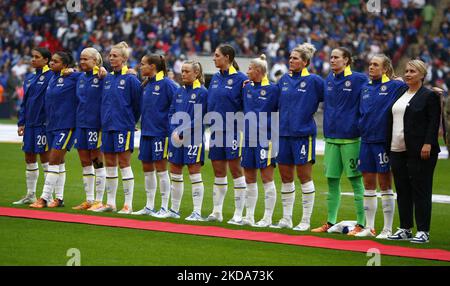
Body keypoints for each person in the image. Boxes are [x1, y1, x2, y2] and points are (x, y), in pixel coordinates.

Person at [312, 47, 368, 235]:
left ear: (346, 60)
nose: (332, 60)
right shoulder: (329, 80)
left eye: (336, 57)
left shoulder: (359, 79)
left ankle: (362, 224)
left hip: (351, 138)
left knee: (355, 181)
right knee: (332, 181)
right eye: (331, 57)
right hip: (331, 138)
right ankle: (330, 222)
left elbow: (374, 92)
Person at [386, 59, 441, 243]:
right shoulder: (401, 92)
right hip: (397, 148)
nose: (408, 74)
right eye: (407, 71)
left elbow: (434, 122)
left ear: (422, 75)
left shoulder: (429, 95)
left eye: (413, 71)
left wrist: (428, 143)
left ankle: (423, 231)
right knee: (402, 190)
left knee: (421, 190)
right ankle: (405, 228)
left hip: (420, 150)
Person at [274, 43, 324, 231]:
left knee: (304, 176)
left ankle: (305, 220)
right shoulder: (283, 80)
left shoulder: (315, 81)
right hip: (283, 134)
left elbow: (331, 97)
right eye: (290, 57)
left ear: (305, 62)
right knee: (286, 177)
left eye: (295, 58)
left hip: (303, 135)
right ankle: (286, 218)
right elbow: (272, 99)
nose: (291, 60)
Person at [356, 54, 406, 238]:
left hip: (383, 142)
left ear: (385, 68)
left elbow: (414, 90)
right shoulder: (365, 88)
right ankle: (369, 228)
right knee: (368, 184)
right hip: (366, 140)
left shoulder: (395, 86)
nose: (371, 67)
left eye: (375, 65)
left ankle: (387, 228)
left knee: (385, 184)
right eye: (370, 64)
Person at [93, 42, 142, 214]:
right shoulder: (106, 78)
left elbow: (137, 105)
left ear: (124, 58)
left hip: (123, 127)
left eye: (115, 55)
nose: (111, 58)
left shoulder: (131, 79)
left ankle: (128, 204)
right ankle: (111, 203)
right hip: (107, 127)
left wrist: (130, 122)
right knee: (110, 164)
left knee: (124, 164)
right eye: (110, 55)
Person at [30, 51, 80, 208]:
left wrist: (74, 70)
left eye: (55, 61)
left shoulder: (72, 77)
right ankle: (59, 199)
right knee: (60, 162)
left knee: (53, 159)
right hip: (52, 125)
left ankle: (43, 198)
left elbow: (88, 76)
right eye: (51, 61)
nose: (51, 63)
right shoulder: (52, 77)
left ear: (65, 65)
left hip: (66, 125)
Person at [207, 44, 248, 223]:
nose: (214, 58)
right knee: (218, 171)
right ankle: (217, 211)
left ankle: (239, 213)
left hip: (233, 131)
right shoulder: (215, 78)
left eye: (217, 55)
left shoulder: (241, 79)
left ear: (227, 57)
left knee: (236, 170)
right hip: (216, 130)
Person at [132, 54, 177, 217]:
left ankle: (164, 207)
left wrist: (174, 128)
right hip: (146, 132)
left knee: (161, 169)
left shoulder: (167, 84)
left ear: (152, 66)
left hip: (161, 133)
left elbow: (178, 105)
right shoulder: (146, 85)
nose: (140, 66)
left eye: (143, 64)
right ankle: (149, 206)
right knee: (147, 169)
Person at [165, 60, 208, 221]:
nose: (183, 74)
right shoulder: (179, 91)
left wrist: (182, 131)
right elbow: (171, 113)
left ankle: (197, 212)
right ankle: (174, 209)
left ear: (196, 73)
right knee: (175, 172)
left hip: (193, 139)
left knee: (194, 174)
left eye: (187, 71)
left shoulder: (202, 92)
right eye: (182, 71)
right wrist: (174, 131)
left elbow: (199, 118)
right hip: (177, 138)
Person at [240, 54, 279, 227]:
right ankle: (249, 216)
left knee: (267, 178)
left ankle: (267, 217)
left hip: (267, 139)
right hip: (248, 137)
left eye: (249, 68)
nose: (247, 71)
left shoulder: (273, 89)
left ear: (258, 71)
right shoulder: (246, 87)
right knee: (249, 177)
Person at [14, 48, 52, 205]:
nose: (33, 59)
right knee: (29, 157)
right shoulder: (29, 78)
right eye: (32, 57)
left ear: (46, 60)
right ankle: (30, 194)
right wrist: (21, 122)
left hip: (43, 124)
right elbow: (25, 102)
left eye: (37, 57)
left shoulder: (52, 76)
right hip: (29, 124)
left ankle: (48, 195)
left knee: (45, 158)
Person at [71, 47, 107, 211]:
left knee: (97, 160)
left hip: (95, 125)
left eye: (86, 59)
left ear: (95, 61)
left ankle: (99, 200)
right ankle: (89, 199)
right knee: (85, 162)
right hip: (81, 124)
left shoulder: (102, 76)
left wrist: (104, 71)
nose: (82, 61)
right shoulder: (80, 78)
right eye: (81, 58)